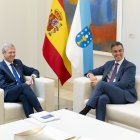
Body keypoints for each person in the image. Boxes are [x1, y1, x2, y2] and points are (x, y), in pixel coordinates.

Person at [80, 41, 137, 121]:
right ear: (112, 53)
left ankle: (85, 110)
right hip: (110, 94)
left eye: (120, 50)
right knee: (102, 99)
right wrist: (91, 75)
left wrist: (102, 85)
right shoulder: (109, 64)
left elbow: (122, 84)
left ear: (123, 50)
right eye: (115, 51)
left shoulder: (130, 66)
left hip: (124, 95)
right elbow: (90, 71)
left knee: (102, 84)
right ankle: (100, 124)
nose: (118, 53)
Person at [0, 43, 43, 118]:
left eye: (14, 52)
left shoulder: (18, 63)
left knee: (23, 96)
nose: (13, 54)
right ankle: (41, 112)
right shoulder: (1, 67)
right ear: (3, 53)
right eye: (10, 52)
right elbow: (3, 85)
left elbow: (34, 70)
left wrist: (32, 77)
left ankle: (31, 119)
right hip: (8, 94)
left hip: (21, 91)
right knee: (24, 86)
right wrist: (20, 86)